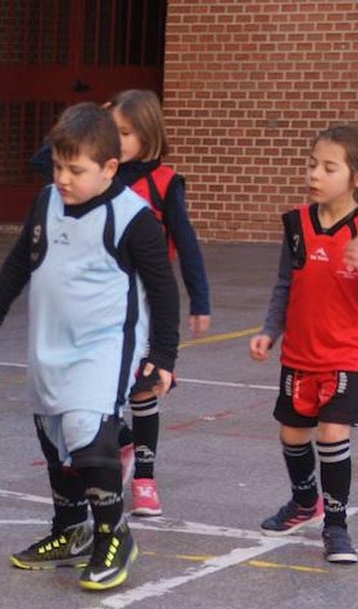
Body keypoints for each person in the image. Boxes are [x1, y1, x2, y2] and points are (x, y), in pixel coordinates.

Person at [0, 103, 179, 591]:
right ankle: (70, 530)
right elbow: (22, 257)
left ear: (109, 168)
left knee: (87, 429)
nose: (63, 177)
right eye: (59, 166)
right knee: (53, 435)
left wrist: (163, 357)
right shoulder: (46, 201)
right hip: (50, 344)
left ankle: (113, 533)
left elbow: (164, 290)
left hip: (103, 346)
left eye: (76, 169)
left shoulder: (134, 218)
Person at [249, 124, 358, 564]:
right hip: (300, 353)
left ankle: (336, 525)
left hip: (347, 356)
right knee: (292, 433)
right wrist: (268, 331)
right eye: (312, 163)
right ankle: (303, 501)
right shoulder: (296, 223)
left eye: (328, 167)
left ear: (357, 178)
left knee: (332, 434)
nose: (315, 173)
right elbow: (284, 283)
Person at [104, 89, 212, 517]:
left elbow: (186, 244)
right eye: (109, 131)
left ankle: (145, 479)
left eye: (124, 132)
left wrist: (199, 299)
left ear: (148, 134)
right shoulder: (99, 174)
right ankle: (122, 443)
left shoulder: (166, 183)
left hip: (148, 298)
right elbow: (43, 163)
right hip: (107, 296)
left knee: (145, 388)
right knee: (105, 388)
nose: (115, 139)